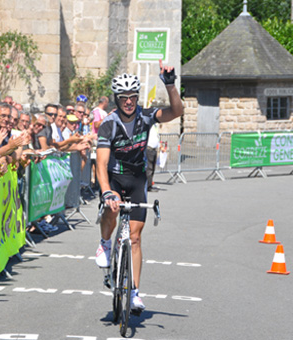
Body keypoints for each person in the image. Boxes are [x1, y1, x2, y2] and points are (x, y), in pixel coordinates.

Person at [95, 60, 183, 313]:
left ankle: (134, 292)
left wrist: (170, 85)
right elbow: (101, 164)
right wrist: (106, 191)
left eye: (133, 96)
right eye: (124, 97)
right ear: (117, 99)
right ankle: (105, 242)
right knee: (110, 210)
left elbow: (177, 111)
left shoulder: (146, 116)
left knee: (134, 238)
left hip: (137, 179)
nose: (129, 101)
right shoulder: (109, 124)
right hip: (114, 177)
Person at [146, 123, 160, 191]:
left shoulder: (155, 125)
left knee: (152, 168)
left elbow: (157, 137)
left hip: (154, 149)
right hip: (149, 148)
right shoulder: (149, 124)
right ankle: (148, 186)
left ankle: (150, 183)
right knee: (149, 168)